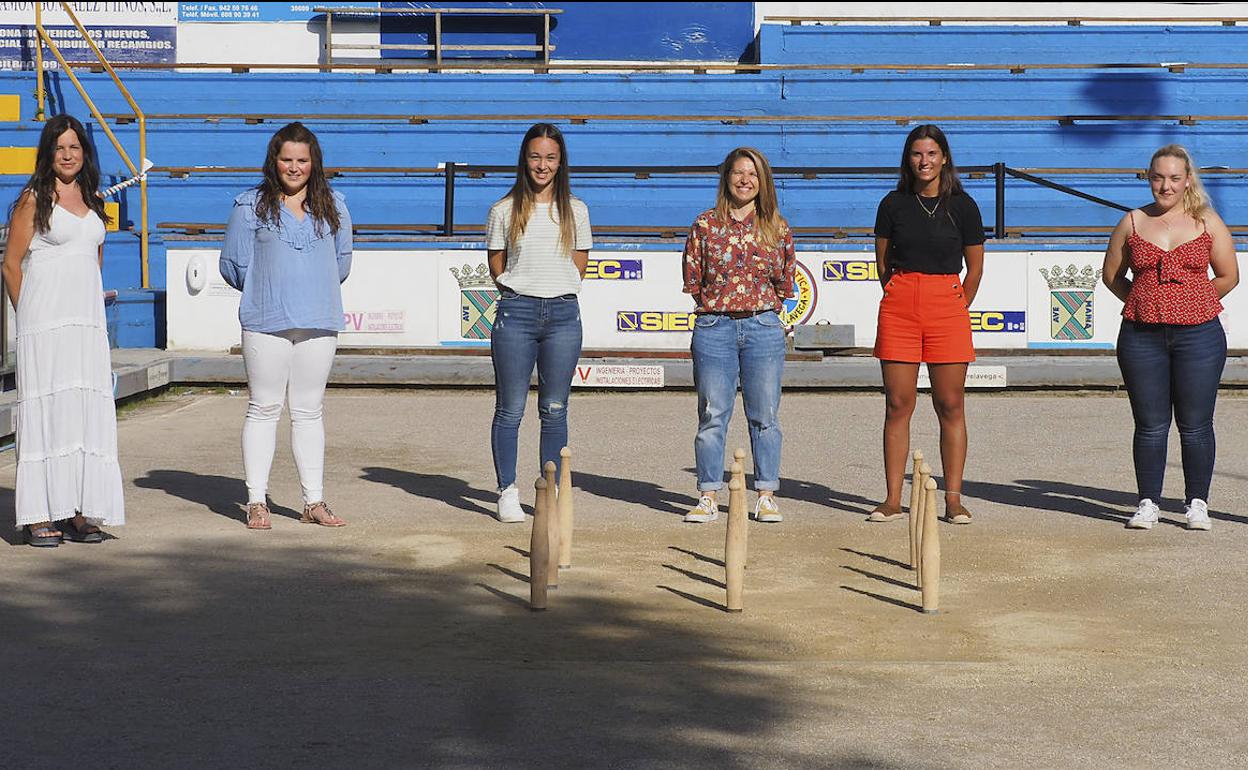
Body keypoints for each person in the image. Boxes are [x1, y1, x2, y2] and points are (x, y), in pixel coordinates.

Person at [220, 122, 352, 530]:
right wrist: (269, 287)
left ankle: (313, 500)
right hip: (265, 321)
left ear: (314, 163)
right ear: (273, 161)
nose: (294, 168)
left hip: (319, 320)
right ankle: (257, 501)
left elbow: (342, 263)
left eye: (302, 160)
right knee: (263, 407)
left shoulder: (336, 205)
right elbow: (233, 265)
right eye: (286, 159)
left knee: (309, 410)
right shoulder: (249, 206)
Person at [2, 114, 125, 547]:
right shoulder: (34, 200)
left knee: (83, 415)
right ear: (48, 153)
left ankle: (78, 511)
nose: (67, 155)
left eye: (74, 147)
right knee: (47, 414)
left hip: (86, 326)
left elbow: (93, 263)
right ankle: (38, 516)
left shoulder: (94, 201)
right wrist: (31, 316)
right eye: (59, 148)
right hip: (45, 326)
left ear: (84, 152)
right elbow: (11, 265)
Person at [1102, 144, 1238, 531]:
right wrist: (1145, 302)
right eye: (1159, 177)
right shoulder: (1131, 221)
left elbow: (1229, 275)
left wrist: (1190, 302)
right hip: (1141, 336)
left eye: (1175, 178)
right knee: (1149, 424)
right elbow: (1111, 275)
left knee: (1196, 424)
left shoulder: (1207, 221)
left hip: (1199, 336)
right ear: (1148, 177)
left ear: (1187, 180)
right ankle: (1148, 502)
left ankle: (1198, 503)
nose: (1166, 186)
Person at [870, 124, 984, 525]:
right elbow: (883, 263)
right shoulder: (892, 204)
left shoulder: (964, 206)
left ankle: (953, 499)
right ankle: (892, 499)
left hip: (947, 307)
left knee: (950, 404)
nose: (925, 161)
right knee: (898, 404)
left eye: (932, 154)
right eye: (917, 154)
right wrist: (900, 294)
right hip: (900, 305)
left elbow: (974, 269)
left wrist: (954, 306)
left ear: (944, 158)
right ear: (908, 159)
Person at [682, 147, 795, 525]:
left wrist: (756, 307)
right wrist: (721, 306)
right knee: (713, 414)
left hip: (762, 327)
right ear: (726, 177)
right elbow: (694, 281)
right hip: (714, 327)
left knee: (765, 415)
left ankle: (765, 495)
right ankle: (708, 495)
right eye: (738, 173)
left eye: (753, 174)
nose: (745, 180)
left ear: (763, 182)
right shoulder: (704, 226)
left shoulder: (777, 227)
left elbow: (784, 282)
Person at [487, 123, 592, 523]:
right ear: (524, 159)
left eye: (550, 157)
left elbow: (578, 265)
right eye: (535, 156)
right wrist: (523, 290)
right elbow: (497, 264)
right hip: (517, 314)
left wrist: (555, 288)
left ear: (560, 160)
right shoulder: (503, 210)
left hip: (564, 315)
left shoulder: (576, 211)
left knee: (554, 408)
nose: (542, 165)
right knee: (510, 409)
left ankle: (551, 491)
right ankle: (507, 491)